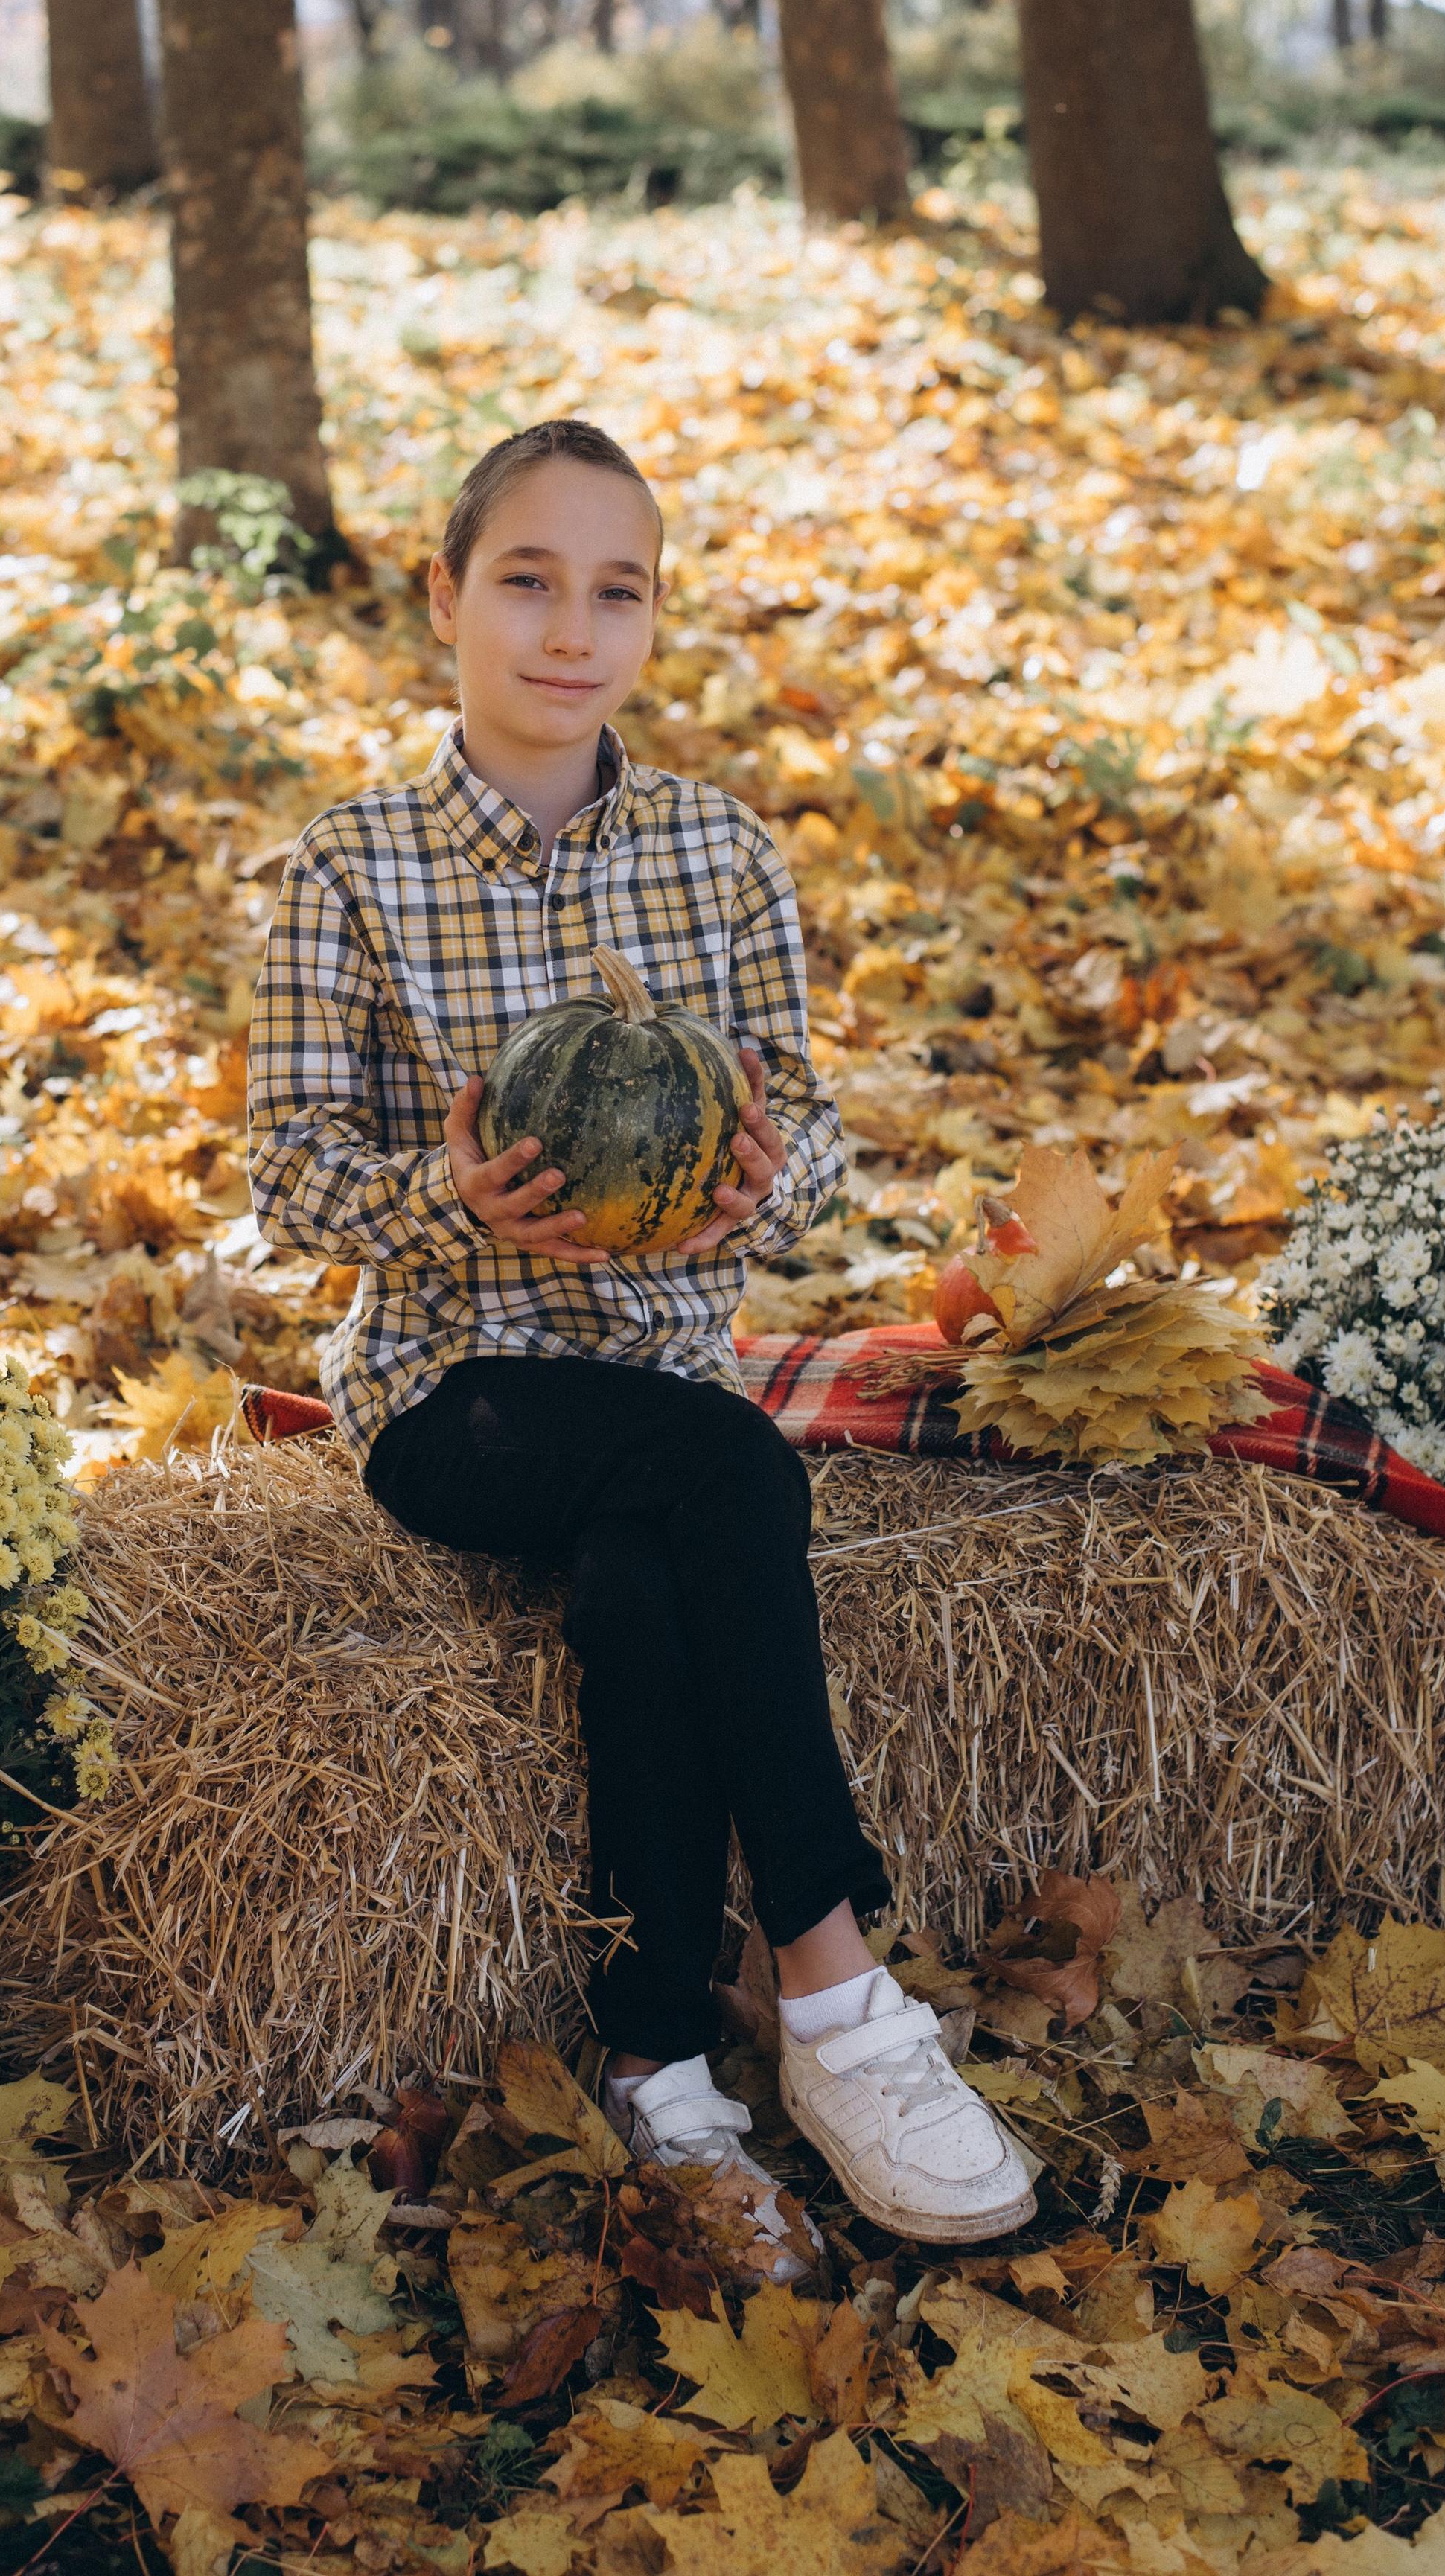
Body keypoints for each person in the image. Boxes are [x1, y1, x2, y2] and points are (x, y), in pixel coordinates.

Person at [248, 418, 1033, 2248]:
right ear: (442, 596)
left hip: (662, 1372)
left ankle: (656, 2065)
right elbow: (287, 1180)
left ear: (653, 621)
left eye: (617, 589)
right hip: (458, 1390)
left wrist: (763, 1181)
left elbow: (814, 1138)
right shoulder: (350, 867)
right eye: (525, 578)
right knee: (720, 1466)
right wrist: (448, 1200)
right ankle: (837, 1991)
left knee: (643, 1579)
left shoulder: (720, 857)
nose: (567, 628)